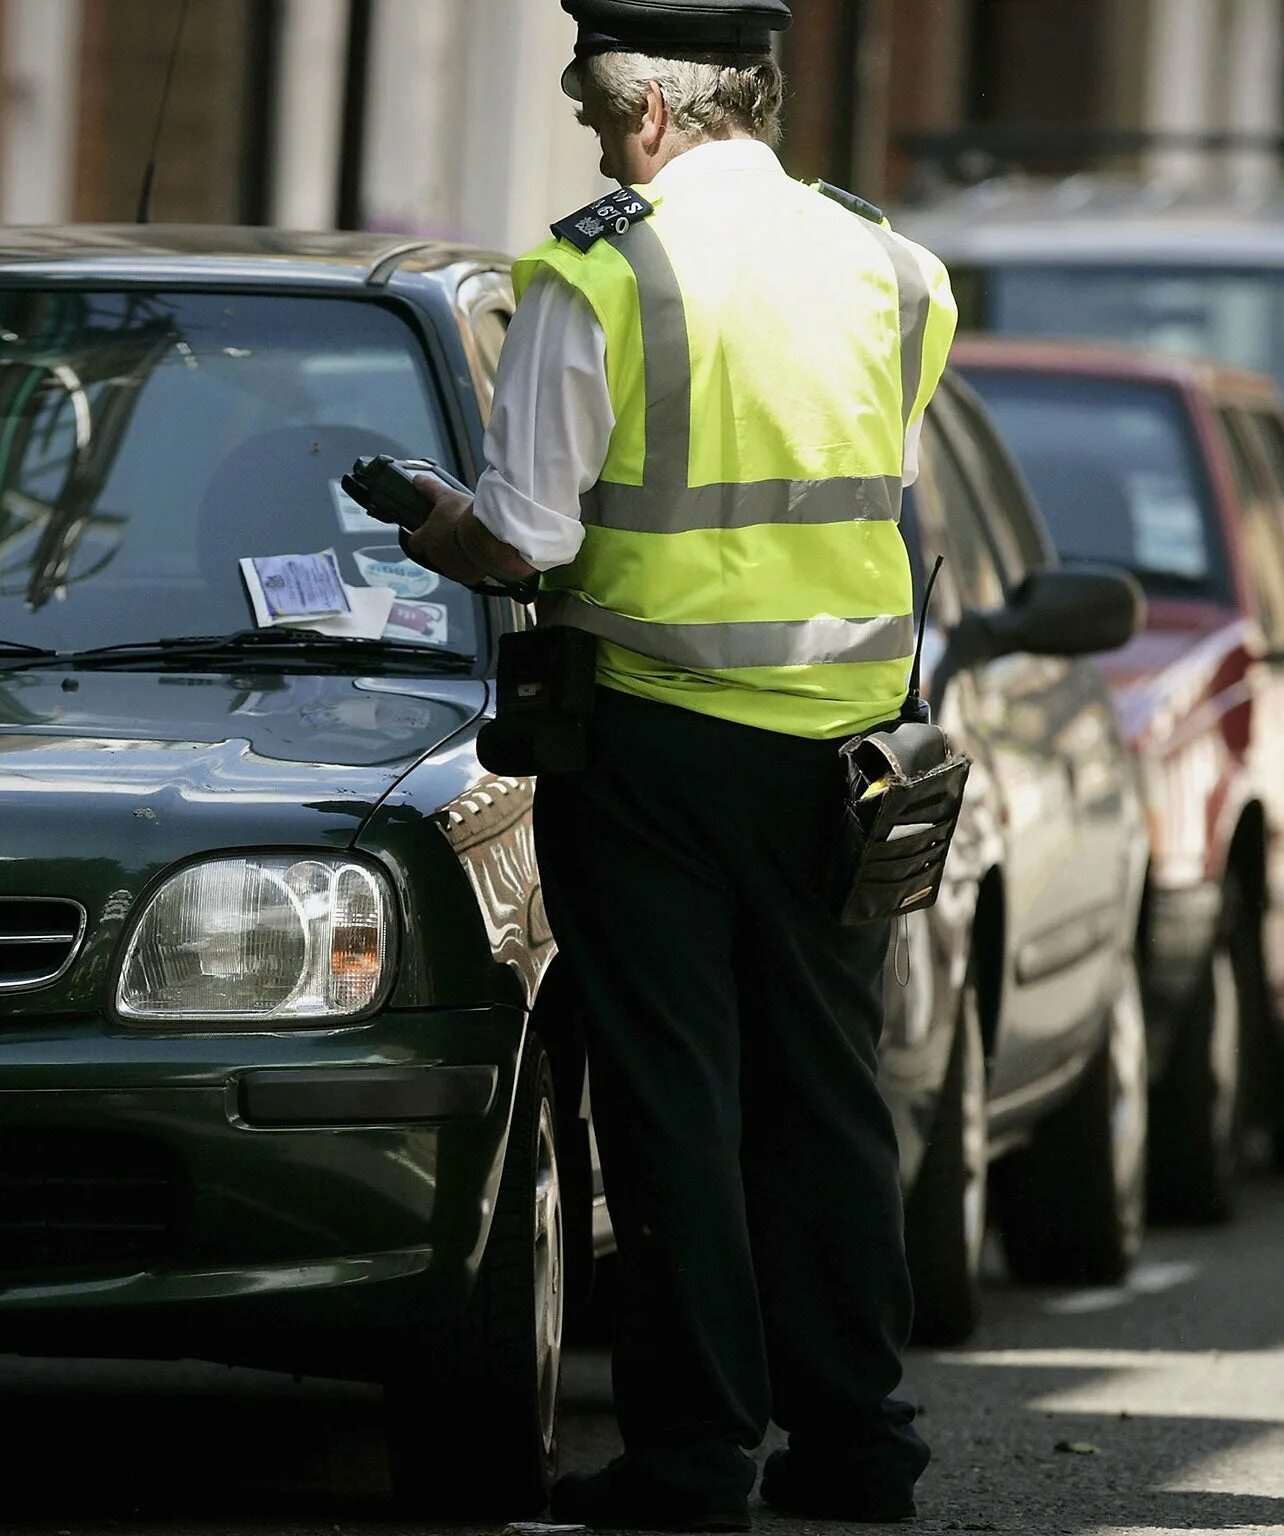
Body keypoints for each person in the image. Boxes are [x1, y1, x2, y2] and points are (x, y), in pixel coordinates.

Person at [400, 1, 958, 1527]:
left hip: (656, 741)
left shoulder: (596, 269)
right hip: (848, 750)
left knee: (672, 1103)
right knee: (827, 1096)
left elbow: (529, 539)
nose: (594, 147)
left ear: (647, 112)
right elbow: (878, 479)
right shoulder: (895, 267)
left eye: (594, 119)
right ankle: (858, 1448)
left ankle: (696, 1458)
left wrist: (441, 527)